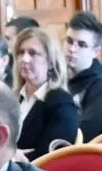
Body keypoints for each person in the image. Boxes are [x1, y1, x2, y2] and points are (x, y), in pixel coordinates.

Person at [12, 27, 79, 156]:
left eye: (33, 53)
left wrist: (13, 157)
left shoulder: (60, 101)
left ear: (51, 62)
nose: (24, 59)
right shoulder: (13, 99)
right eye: (21, 52)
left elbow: (53, 155)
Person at [63, 10, 102, 137]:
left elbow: (84, 136)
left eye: (82, 45)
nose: (72, 49)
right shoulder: (58, 77)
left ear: (95, 51)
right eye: (69, 41)